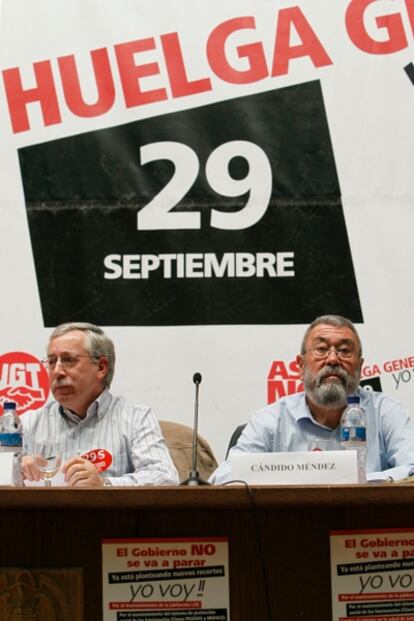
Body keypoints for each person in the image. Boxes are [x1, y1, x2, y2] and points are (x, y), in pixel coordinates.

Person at [211, 314, 414, 484]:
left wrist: (352, 481)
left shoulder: (385, 412)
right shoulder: (272, 420)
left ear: (360, 367)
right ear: (300, 366)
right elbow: (225, 478)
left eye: (344, 351)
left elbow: (411, 467)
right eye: (321, 349)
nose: (333, 359)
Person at [21, 322, 179, 487]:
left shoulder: (136, 418)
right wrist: (13, 471)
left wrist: (105, 484)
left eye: (69, 360)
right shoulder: (29, 423)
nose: (57, 371)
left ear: (101, 367)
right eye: (52, 362)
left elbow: (164, 477)